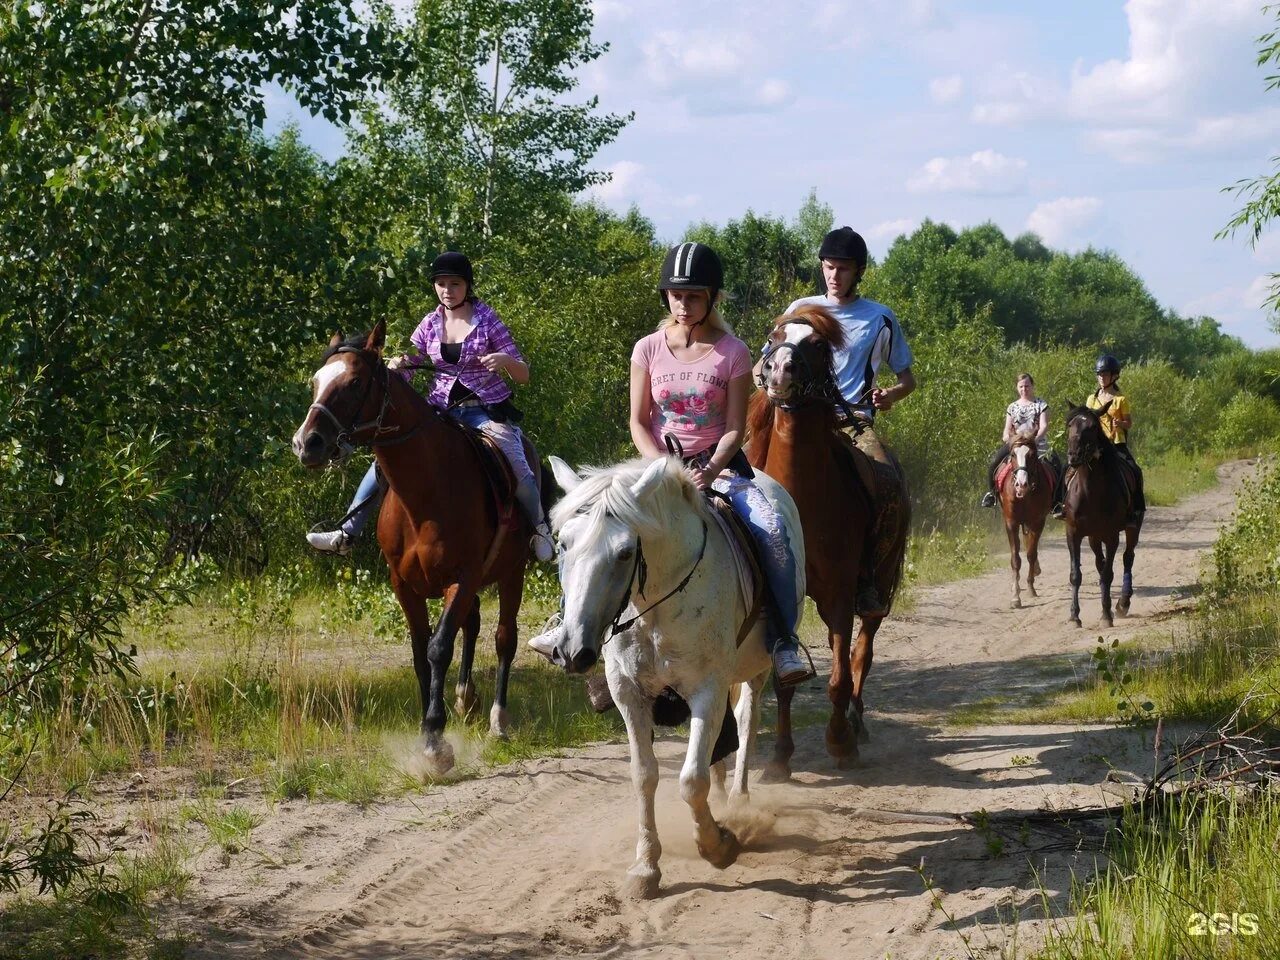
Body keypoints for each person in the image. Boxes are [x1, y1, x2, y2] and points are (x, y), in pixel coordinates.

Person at [306, 252, 555, 561]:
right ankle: (347, 531)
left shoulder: (488, 320)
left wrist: (505, 361)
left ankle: (541, 527)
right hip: (439, 410)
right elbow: (410, 365)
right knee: (384, 460)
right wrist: (398, 364)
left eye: (454, 283)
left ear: (467, 286)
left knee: (516, 461)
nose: (447, 290)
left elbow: (524, 374)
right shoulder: (429, 323)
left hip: (483, 409)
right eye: (441, 284)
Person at [775, 226, 915, 618]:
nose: (834, 276)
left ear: (859, 272)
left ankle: (867, 575)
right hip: (799, 420)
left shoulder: (879, 319)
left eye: (843, 269)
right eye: (828, 267)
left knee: (888, 483)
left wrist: (890, 395)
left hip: (852, 422)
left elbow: (907, 379)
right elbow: (768, 362)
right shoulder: (800, 309)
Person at [980, 372, 1064, 517]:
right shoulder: (1012, 407)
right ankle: (992, 494)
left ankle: (1057, 502)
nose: (1024, 389)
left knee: (1057, 465)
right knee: (994, 462)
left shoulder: (1041, 404)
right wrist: (1010, 439)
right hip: (1016, 445)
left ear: (1032, 386)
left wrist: (1035, 440)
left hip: (1038, 443)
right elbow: (1006, 431)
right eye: (1021, 386)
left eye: (1027, 386)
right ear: (1017, 388)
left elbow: (1043, 426)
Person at [1087, 354, 1145, 515]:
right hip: (1096, 443)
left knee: (1135, 470)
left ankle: (1137, 508)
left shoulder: (1121, 400)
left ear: (1114, 376)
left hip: (1116, 443)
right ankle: (1064, 505)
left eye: (1105, 374)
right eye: (1099, 374)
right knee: (1070, 468)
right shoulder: (1091, 399)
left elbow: (1129, 423)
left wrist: (1119, 423)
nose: (1101, 378)